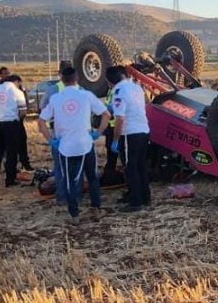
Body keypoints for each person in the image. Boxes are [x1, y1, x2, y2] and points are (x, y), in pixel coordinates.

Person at [39, 67, 110, 224]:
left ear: (62, 79)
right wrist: (98, 132)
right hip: (86, 143)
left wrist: (51, 139)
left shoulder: (56, 98)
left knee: (69, 180)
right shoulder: (86, 95)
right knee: (92, 178)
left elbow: (41, 121)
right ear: (77, 77)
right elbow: (106, 114)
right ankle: (96, 209)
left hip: (65, 147)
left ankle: (75, 215)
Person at [107, 65, 151, 213]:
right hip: (144, 130)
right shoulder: (136, 87)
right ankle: (145, 197)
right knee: (141, 166)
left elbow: (119, 119)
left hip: (129, 133)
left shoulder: (118, 92)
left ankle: (135, 202)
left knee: (130, 168)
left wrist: (115, 139)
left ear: (110, 82)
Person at [40, 60, 75, 203]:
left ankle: (61, 196)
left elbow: (42, 110)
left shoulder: (52, 90)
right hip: (76, 131)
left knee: (60, 166)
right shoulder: (80, 89)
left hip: (58, 131)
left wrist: (50, 138)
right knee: (76, 165)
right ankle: (75, 194)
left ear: (60, 74)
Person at [0, 74, 27, 187]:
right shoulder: (17, 92)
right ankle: (10, 179)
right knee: (11, 152)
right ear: (16, 81)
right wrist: (19, 121)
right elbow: (23, 112)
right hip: (11, 125)